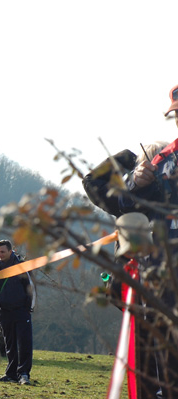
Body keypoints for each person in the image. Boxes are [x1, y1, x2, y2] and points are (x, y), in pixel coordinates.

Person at [114, 85, 178, 398]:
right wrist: (133, 179)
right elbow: (122, 205)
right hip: (163, 284)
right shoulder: (164, 161)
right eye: (177, 115)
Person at [0, 240, 35, 386]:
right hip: (5, 312)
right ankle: (11, 373)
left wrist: (29, 307)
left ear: (10, 252)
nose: (0, 255)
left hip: (22, 311)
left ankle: (23, 374)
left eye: (3, 252)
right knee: (10, 344)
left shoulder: (21, 267)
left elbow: (30, 287)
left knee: (24, 344)